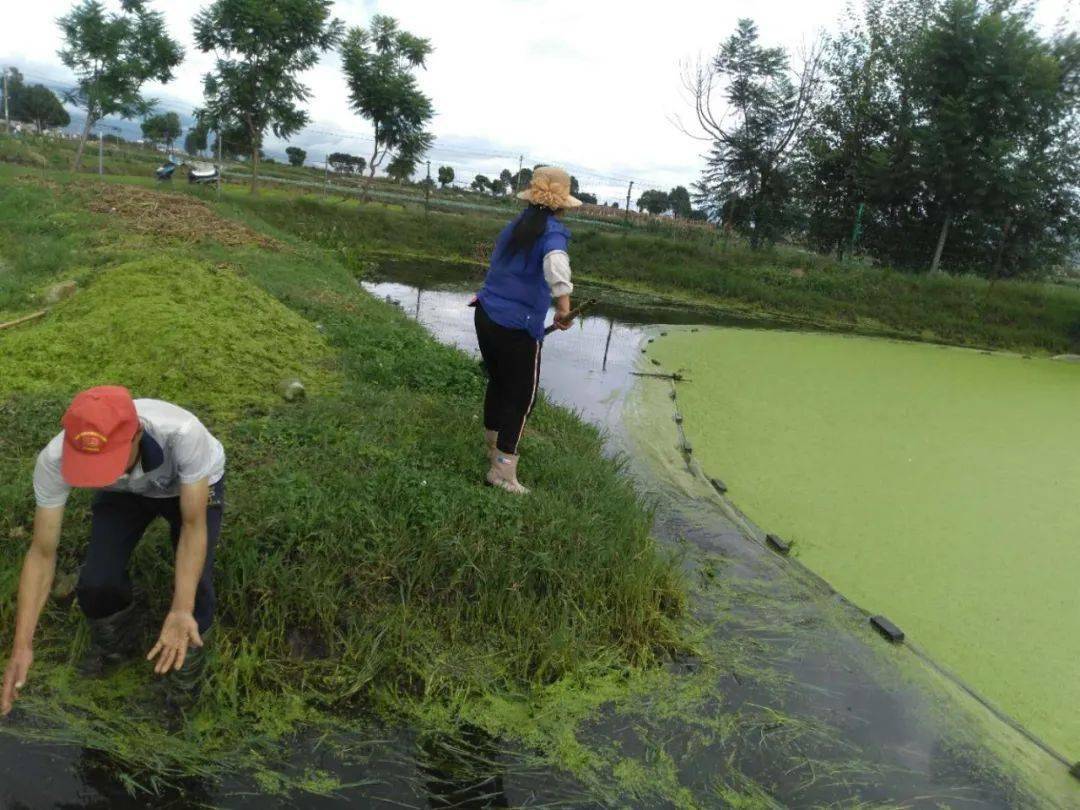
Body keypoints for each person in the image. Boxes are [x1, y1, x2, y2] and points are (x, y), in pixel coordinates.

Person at [1, 386, 226, 716]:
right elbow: (42, 553)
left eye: (105, 460)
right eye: (86, 463)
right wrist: (22, 646)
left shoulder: (183, 435)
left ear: (136, 434)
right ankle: (117, 649)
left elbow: (193, 527)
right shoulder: (54, 458)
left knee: (196, 591)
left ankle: (183, 685)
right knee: (96, 583)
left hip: (185, 485)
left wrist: (181, 607)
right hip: (123, 493)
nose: (95, 469)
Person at [473, 166, 581, 494]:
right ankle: (503, 471)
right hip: (517, 328)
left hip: (486, 313)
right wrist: (564, 308)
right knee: (523, 397)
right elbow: (556, 266)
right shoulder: (552, 233)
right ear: (561, 205)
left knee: (500, 381)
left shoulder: (517, 226)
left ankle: (492, 445)